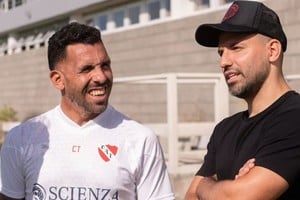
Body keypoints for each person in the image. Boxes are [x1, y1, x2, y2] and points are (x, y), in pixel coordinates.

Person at [0, 22, 175, 200]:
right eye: (87, 69)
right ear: (58, 80)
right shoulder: (21, 140)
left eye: (105, 65)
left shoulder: (141, 140)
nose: (101, 77)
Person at [185, 1, 300, 200]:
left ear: (272, 51)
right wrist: (227, 188)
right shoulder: (224, 130)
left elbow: (238, 197)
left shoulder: (294, 118)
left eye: (236, 48)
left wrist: (207, 184)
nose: (224, 62)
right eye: (221, 52)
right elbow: (190, 197)